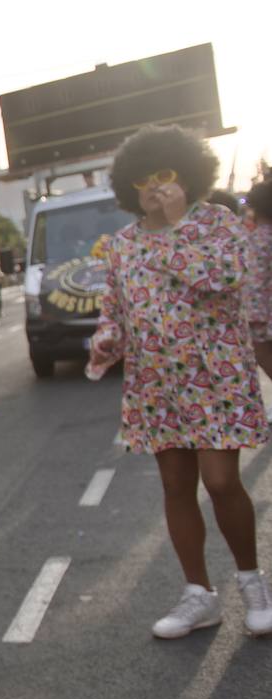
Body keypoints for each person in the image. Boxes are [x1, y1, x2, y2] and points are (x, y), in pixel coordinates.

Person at [88, 125, 272, 639]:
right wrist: (107, 339)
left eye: (165, 177)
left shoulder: (217, 222)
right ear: (129, 186)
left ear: (189, 176)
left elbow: (225, 277)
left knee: (221, 482)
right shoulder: (122, 245)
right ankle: (199, 596)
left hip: (217, 378)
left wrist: (174, 229)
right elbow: (115, 310)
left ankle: (253, 584)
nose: (154, 188)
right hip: (155, 385)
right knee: (175, 488)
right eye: (144, 181)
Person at [244, 175, 272, 379]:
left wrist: (250, 316)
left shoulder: (256, 240)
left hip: (261, 315)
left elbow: (253, 282)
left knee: (264, 356)